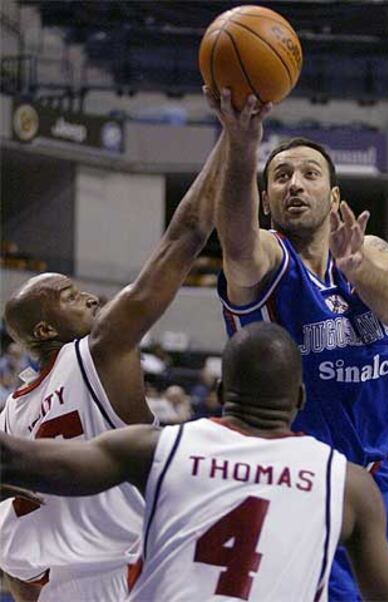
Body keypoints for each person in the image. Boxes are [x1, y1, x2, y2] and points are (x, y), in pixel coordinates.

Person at [0, 322, 388, 602]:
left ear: (219, 390)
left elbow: (22, 459)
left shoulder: (160, 449)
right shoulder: (346, 484)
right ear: (300, 399)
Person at [207, 88, 388, 601]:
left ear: (335, 198)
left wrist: (358, 270)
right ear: (266, 198)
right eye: (280, 177)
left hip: (375, 481)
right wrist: (242, 143)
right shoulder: (267, 260)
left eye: (309, 174)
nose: (294, 184)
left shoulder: (371, 252)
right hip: (300, 484)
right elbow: (234, 237)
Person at [0, 132, 225, 602]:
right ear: (44, 331)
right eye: (68, 295)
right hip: (128, 572)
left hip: (57, 587)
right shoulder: (96, 354)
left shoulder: (11, 415)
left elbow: (17, 564)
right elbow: (183, 238)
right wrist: (235, 137)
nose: (90, 296)